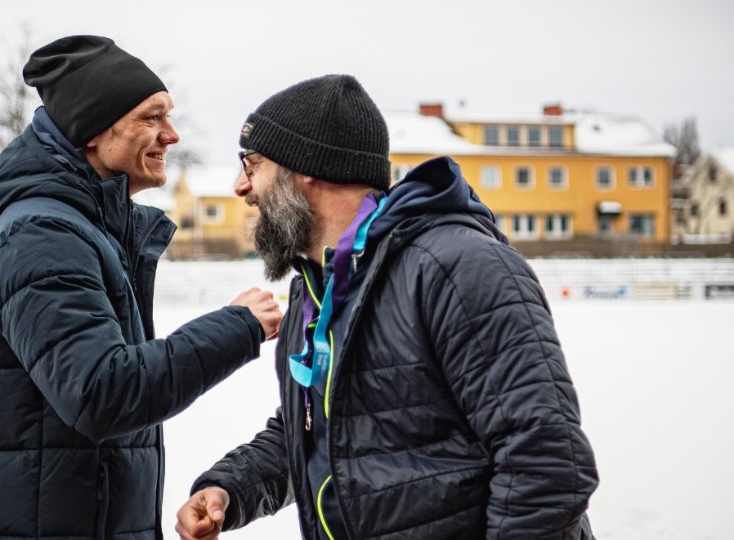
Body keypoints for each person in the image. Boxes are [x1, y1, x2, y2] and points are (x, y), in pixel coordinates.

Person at [176, 74, 598, 540]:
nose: (241, 186)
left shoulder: (456, 266)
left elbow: (545, 460)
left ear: (306, 166)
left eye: (253, 165)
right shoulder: (316, 288)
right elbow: (325, 431)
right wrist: (230, 488)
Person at [0, 35, 282, 540]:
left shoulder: (82, 228)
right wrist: (236, 328)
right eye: (151, 117)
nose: (171, 135)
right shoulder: (40, 236)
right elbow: (101, 393)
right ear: (93, 130)